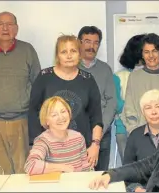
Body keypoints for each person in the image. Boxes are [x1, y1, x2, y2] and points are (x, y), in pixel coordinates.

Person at [0, 11, 41, 174]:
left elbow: (38, 84)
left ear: (16, 28)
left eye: (9, 24)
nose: (5, 28)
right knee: (0, 171)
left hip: (22, 121)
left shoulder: (27, 50)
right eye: (1, 24)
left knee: (24, 170)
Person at [28, 34, 103, 170]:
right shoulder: (44, 77)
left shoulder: (88, 79)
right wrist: (35, 144)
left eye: (73, 51)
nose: (69, 56)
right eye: (64, 52)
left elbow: (96, 116)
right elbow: (33, 112)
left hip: (81, 148)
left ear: (79, 54)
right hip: (51, 150)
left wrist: (95, 144)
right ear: (57, 56)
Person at [121, 33, 159, 133]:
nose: (151, 56)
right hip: (139, 134)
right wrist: (135, 132)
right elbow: (129, 108)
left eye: (154, 51)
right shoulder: (134, 77)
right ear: (142, 55)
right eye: (146, 52)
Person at [77, 26, 116, 171]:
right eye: (87, 41)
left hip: (101, 134)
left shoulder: (105, 69)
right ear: (79, 42)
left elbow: (112, 102)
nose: (91, 46)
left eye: (95, 42)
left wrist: (100, 130)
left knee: (99, 177)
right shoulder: (70, 67)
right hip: (73, 134)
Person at [24, 96, 91, 175]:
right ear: (47, 121)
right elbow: (30, 165)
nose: (61, 117)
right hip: (55, 186)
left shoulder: (78, 137)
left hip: (76, 185)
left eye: (63, 111)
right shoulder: (43, 140)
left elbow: (86, 168)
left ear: (69, 113)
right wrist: (61, 167)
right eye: (54, 115)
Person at [123, 89, 159, 192]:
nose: (153, 112)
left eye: (158, 107)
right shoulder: (135, 136)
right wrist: (137, 189)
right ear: (143, 112)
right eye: (148, 108)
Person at [114, 34, 145, 162]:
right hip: (124, 129)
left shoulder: (155, 75)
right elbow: (116, 104)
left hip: (150, 130)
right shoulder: (119, 76)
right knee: (129, 169)